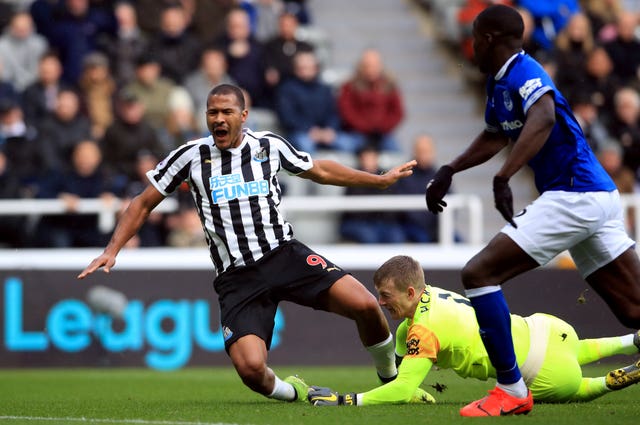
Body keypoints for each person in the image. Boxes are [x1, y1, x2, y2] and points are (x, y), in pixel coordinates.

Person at [78, 83, 417, 403]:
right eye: (212, 113)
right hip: (238, 277)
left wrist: (378, 181)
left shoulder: (268, 146)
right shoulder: (191, 156)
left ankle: (391, 380)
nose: (218, 119)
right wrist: (112, 250)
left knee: (366, 306)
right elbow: (142, 202)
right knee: (252, 371)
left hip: (284, 256)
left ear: (243, 115)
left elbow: (321, 170)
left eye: (226, 111)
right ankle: (296, 393)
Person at [424, 4, 640, 417]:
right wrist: (451, 168)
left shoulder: (526, 72)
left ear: (489, 39)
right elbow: (493, 136)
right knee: (633, 310)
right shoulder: (500, 83)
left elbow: (541, 117)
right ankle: (512, 388)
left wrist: (504, 177)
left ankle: (511, 389)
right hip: (595, 196)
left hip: (573, 196)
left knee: (479, 274)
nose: (470, 45)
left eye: (474, 37)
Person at [308, 255, 640, 407]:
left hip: (540, 372)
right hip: (549, 328)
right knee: (581, 348)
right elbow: (400, 375)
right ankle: (632, 340)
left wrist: (345, 400)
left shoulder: (423, 329)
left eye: (386, 296)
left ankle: (613, 380)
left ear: (410, 293)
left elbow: (399, 388)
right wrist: (404, 386)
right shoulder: (432, 294)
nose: (380, 303)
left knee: (582, 388)